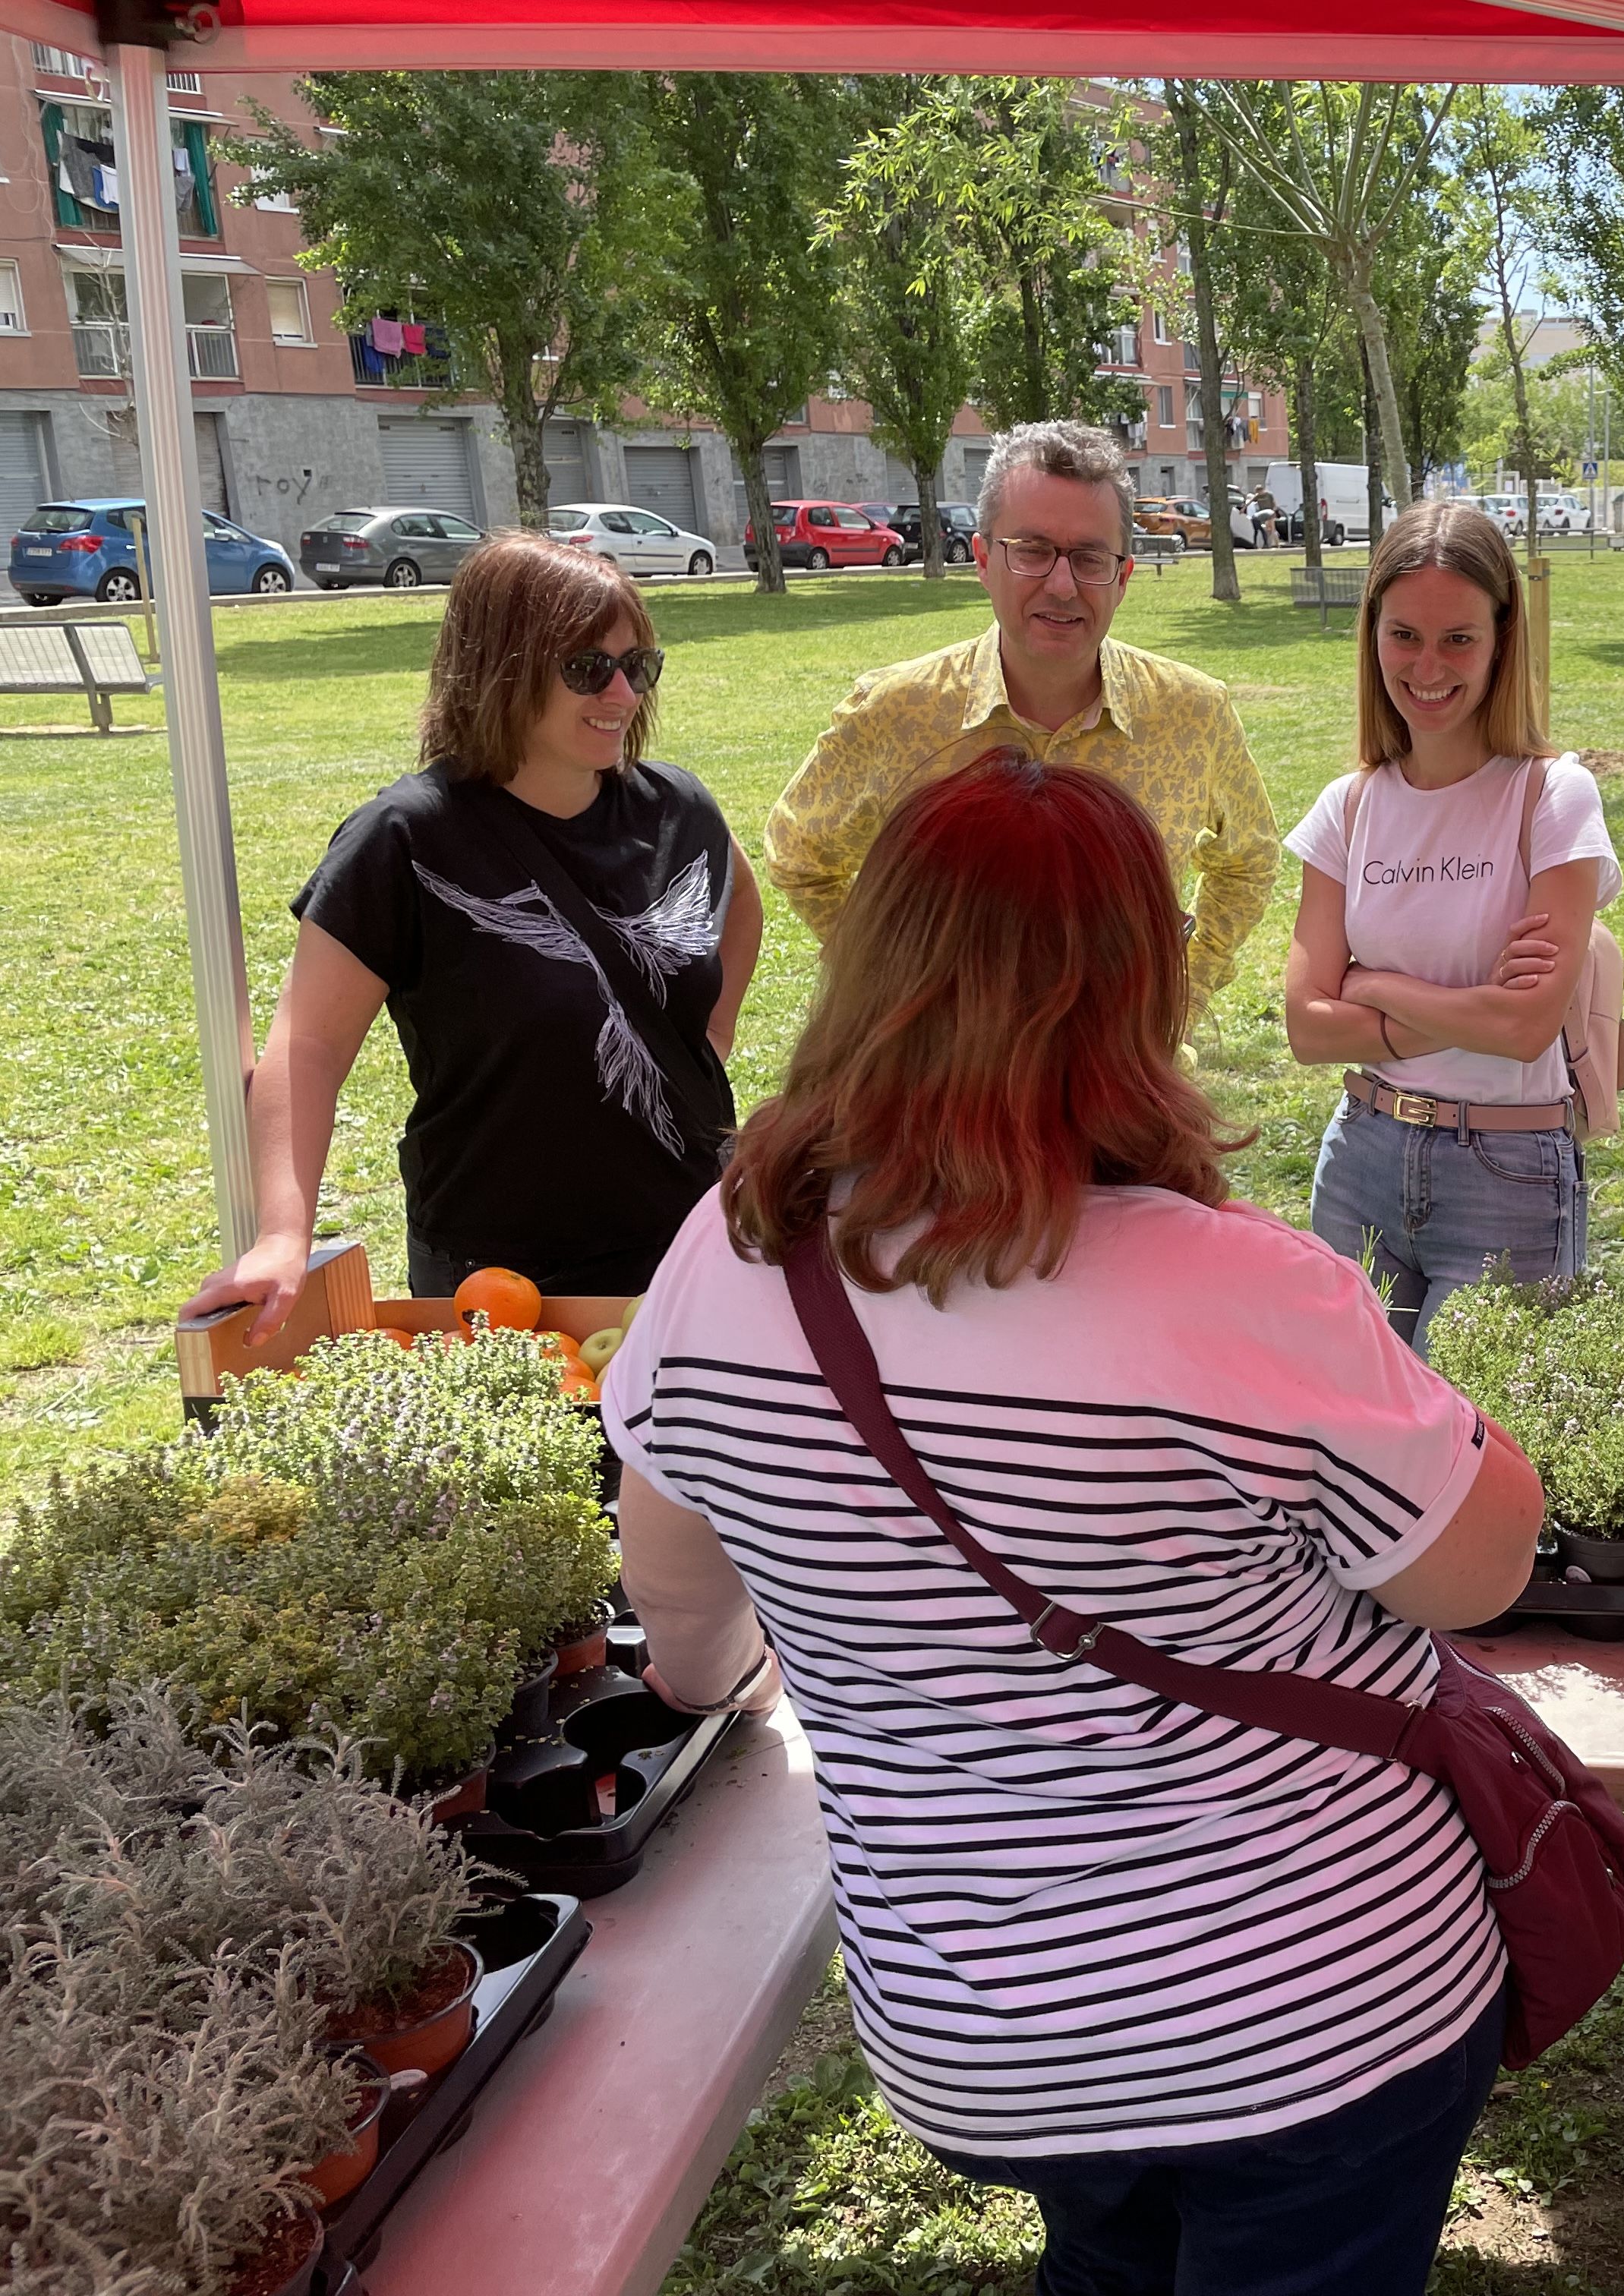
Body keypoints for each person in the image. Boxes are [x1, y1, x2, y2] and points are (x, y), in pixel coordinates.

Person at [604, 753, 1546, 2296]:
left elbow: (693, 1650)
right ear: (1139, 991)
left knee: (1105, 2256)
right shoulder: (1245, 1288)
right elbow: (1480, 1566)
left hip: (981, 2031)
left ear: (876, 963)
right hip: (1317, 2010)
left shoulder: (727, 1255)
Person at [184, 531, 762, 1336]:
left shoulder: (678, 809)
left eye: (639, 665)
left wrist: (708, 1039)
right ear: (505, 667)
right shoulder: (407, 838)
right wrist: (282, 1235)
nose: (625, 696)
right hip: (502, 1276)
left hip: (692, 1241)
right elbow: (306, 1046)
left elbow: (739, 903)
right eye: (589, 668)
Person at [763, 419, 1278, 1016]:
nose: (1062, 585)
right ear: (983, 559)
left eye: (1089, 558)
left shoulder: (1193, 715)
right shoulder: (896, 713)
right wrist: (894, 985)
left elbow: (1250, 861)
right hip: (942, 1091)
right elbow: (798, 854)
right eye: (1032, 551)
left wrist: (1183, 996)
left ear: (1123, 577)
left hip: (1125, 1091)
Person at [1282, 500, 1617, 1348]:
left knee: (1479, 1451)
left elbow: (1524, 1027)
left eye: (1458, 639)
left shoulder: (1551, 796)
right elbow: (1307, 1029)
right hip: (1361, 1158)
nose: (1427, 667)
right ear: (1372, 636)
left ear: (1503, 638)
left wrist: (1375, 984)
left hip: (1505, 1176)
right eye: (1405, 636)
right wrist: (1461, 1010)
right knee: (1354, 1448)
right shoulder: (1348, 809)